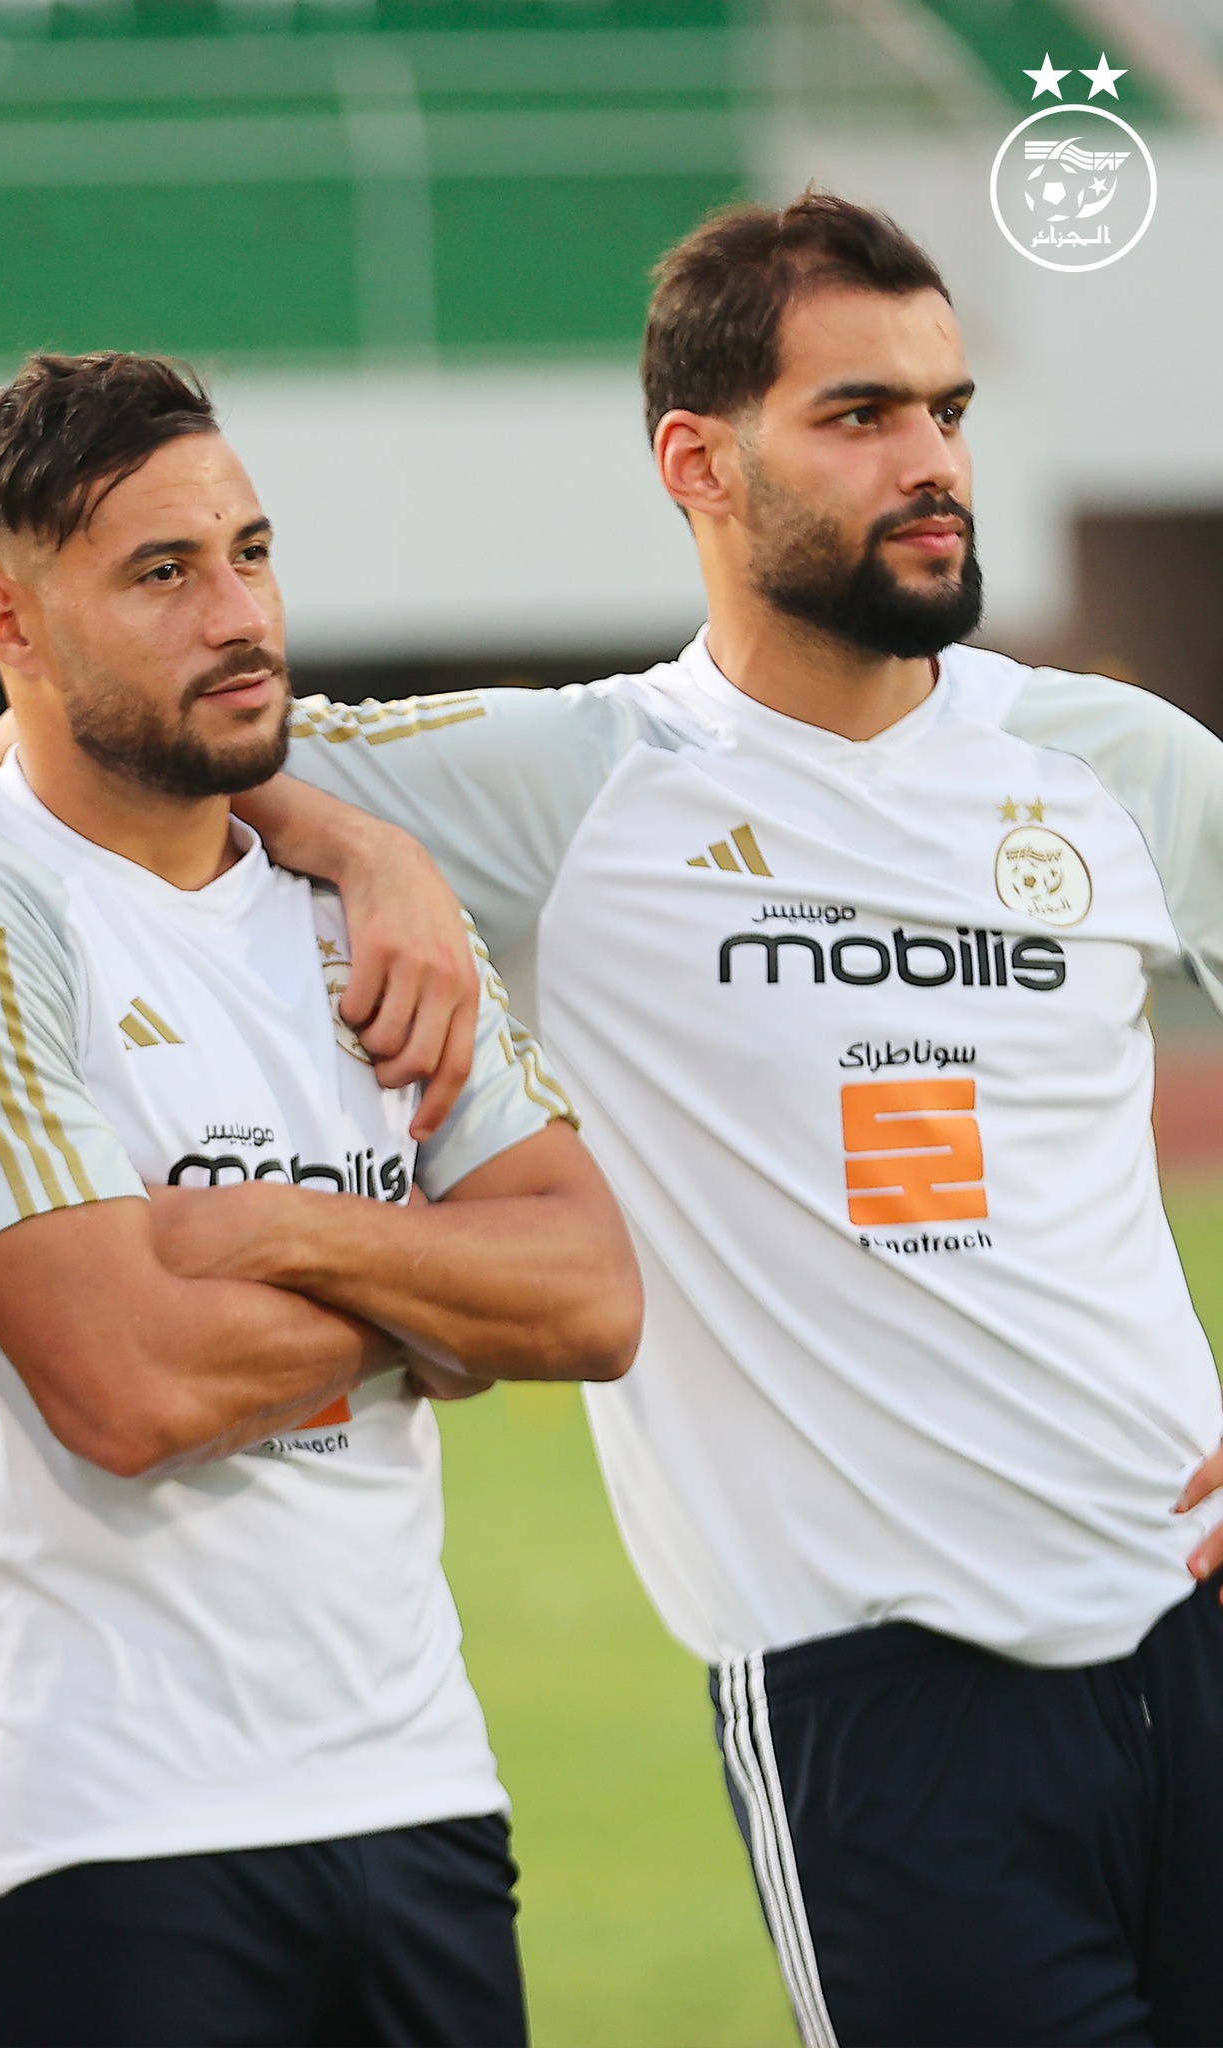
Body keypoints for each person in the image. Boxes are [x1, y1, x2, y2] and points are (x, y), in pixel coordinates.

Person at [214, 193, 1223, 2048]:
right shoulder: (577, 782)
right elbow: (83, 755)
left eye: (948, 409)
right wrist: (364, 839)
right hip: (880, 1706)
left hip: (1198, 1627)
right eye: (861, 415)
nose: (933, 463)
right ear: (697, 461)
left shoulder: (1116, 765)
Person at [0, 352, 640, 2048]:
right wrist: (440, 1306)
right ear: (10, 621)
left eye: (252, 552)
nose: (240, 613)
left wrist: (275, 1232)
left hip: (423, 1811)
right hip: (98, 1842)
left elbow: (592, 1295)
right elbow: (133, 1386)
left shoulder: (375, 919)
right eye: (164, 572)